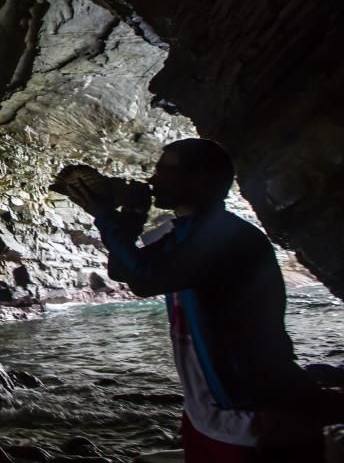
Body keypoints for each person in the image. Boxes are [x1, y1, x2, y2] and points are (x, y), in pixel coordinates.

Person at [62, 138, 323, 462]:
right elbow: (126, 273)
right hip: (207, 413)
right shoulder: (185, 233)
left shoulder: (227, 236)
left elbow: (148, 276)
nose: (152, 180)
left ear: (201, 179)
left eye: (165, 170)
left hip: (256, 418)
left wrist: (104, 214)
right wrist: (131, 213)